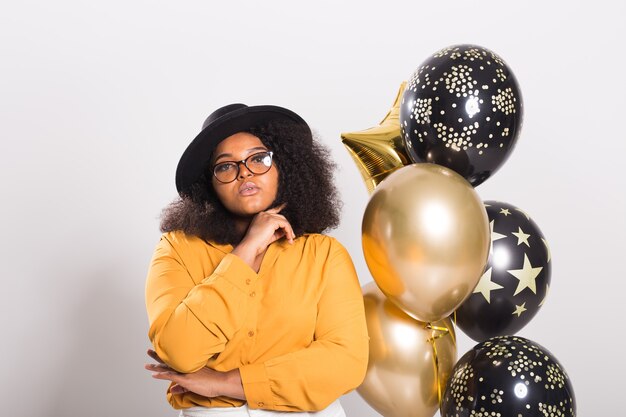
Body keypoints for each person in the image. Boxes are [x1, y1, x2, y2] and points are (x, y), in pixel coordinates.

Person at [144, 103, 369, 417]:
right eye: (226, 166)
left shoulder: (324, 254)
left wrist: (224, 382)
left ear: (284, 168)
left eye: (259, 158)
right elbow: (180, 351)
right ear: (210, 185)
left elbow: (346, 363)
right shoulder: (177, 249)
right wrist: (246, 250)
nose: (245, 172)